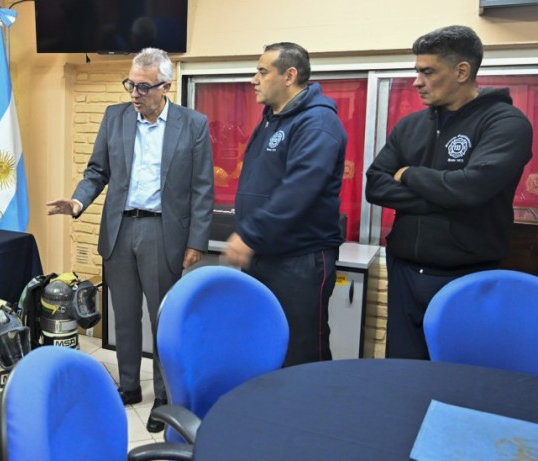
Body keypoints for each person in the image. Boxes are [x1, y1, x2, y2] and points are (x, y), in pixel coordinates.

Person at [47, 47, 214, 433]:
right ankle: (127, 386)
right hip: (120, 229)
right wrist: (77, 201)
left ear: (165, 86)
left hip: (163, 232)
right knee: (123, 315)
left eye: (142, 87)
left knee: (162, 319)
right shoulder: (115, 117)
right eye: (130, 85)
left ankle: (164, 397)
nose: (134, 94)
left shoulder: (193, 125)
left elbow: (202, 189)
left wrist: (197, 242)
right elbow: (96, 171)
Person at [365, 25, 533, 359]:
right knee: (402, 370)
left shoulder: (505, 123)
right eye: (417, 71)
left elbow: (472, 189)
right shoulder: (411, 125)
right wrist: (445, 196)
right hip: (404, 274)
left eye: (427, 71)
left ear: (461, 71)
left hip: (465, 277)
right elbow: (375, 184)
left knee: (456, 375)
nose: (416, 81)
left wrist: (409, 173)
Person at [221, 42, 347, 367]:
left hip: (300, 261)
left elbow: (300, 189)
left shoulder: (317, 123)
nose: (254, 79)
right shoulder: (270, 120)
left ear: (289, 75)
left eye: (262, 71)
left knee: (301, 349)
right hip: (265, 255)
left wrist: (251, 234)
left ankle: (309, 416)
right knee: (266, 342)